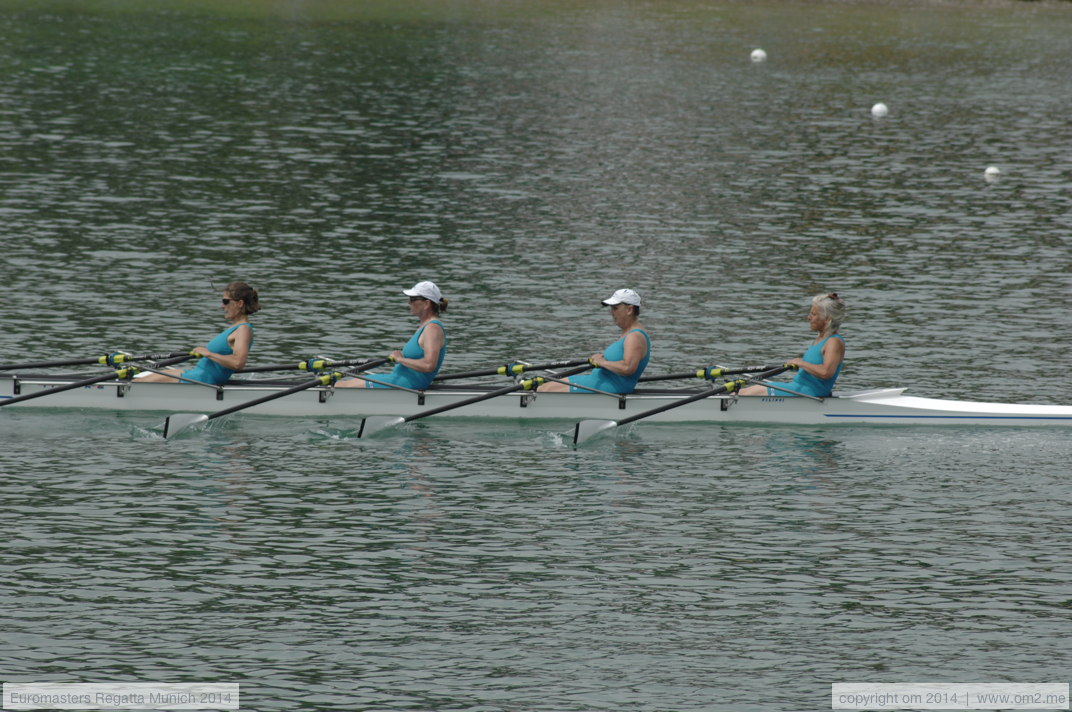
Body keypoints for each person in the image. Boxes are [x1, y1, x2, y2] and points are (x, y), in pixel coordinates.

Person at [138, 282, 259, 385]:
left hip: (202, 381)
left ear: (240, 303)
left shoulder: (243, 329)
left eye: (225, 301)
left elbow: (238, 363)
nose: (222, 306)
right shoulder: (235, 328)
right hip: (196, 375)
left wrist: (208, 353)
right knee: (141, 379)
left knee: (138, 384)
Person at [336, 280, 448, 390]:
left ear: (427, 303)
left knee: (340, 386)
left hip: (407, 385)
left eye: (413, 299)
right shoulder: (425, 326)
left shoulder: (432, 328)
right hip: (397, 379)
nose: (409, 303)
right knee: (342, 382)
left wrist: (400, 359)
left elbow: (429, 365)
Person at [538, 288, 651, 394]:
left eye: (615, 308)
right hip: (599, 380)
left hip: (611, 387)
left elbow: (628, 368)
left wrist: (602, 362)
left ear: (629, 309)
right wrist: (602, 358)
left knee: (544, 389)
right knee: (543, 385)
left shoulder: (635, 336)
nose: (611, 313)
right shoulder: (628, 333)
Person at [740, 292, 846, 397]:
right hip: (798, 388)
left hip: (809, 393)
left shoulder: (833, 342)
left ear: (827, 319)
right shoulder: (821, 338)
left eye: (813, 314)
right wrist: (800, 366)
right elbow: (816, 368)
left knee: (752, 391)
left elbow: (826, 373)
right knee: (742, 391)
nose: (809, 317)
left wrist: (801, 363)